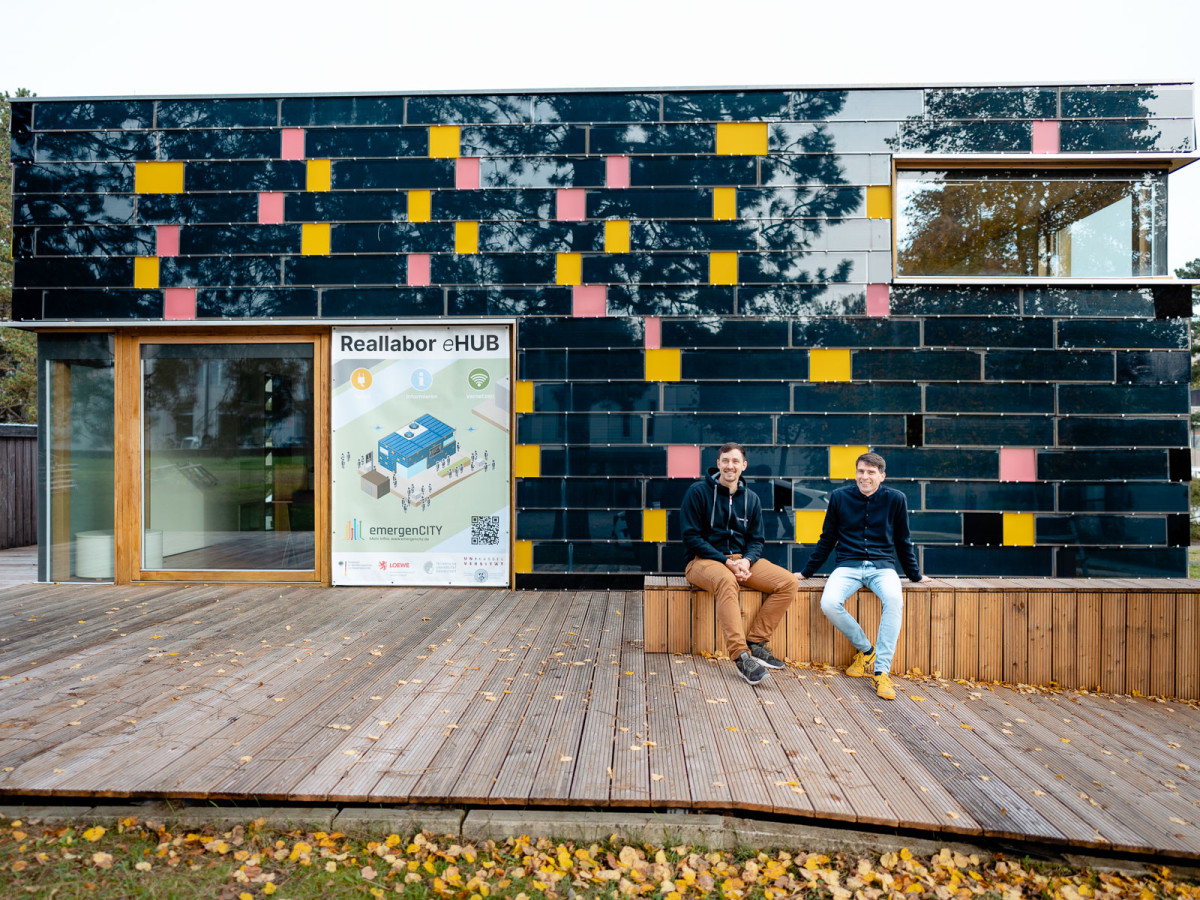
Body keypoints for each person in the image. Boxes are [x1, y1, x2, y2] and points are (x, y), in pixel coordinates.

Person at [797, 452, 933, 700]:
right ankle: (866, 649)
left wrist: (914, 575)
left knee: (894, 600)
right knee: (828, 603)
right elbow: (827, 538)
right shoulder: (839, 498)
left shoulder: (896, 499)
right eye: (861, 471)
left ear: (882, 476)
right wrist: (807, 572)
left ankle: (881, 672)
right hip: (847, 565)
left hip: (882, 567)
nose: (864, 476)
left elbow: (903, 541)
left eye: (871, 472)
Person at [681, 442, 798, 686]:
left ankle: (756, 642)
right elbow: (691, 538)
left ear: (744, 466)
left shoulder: (751, 499)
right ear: (718, 464)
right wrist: (726, 562)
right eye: (725, 460)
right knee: (726, 581)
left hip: (740, 560)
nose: (730, 466)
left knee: (787, 582)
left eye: (735, 461)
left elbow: (756, 540)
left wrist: (746, 560)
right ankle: (741, 656)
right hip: (703, 561)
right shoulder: (698, 492)